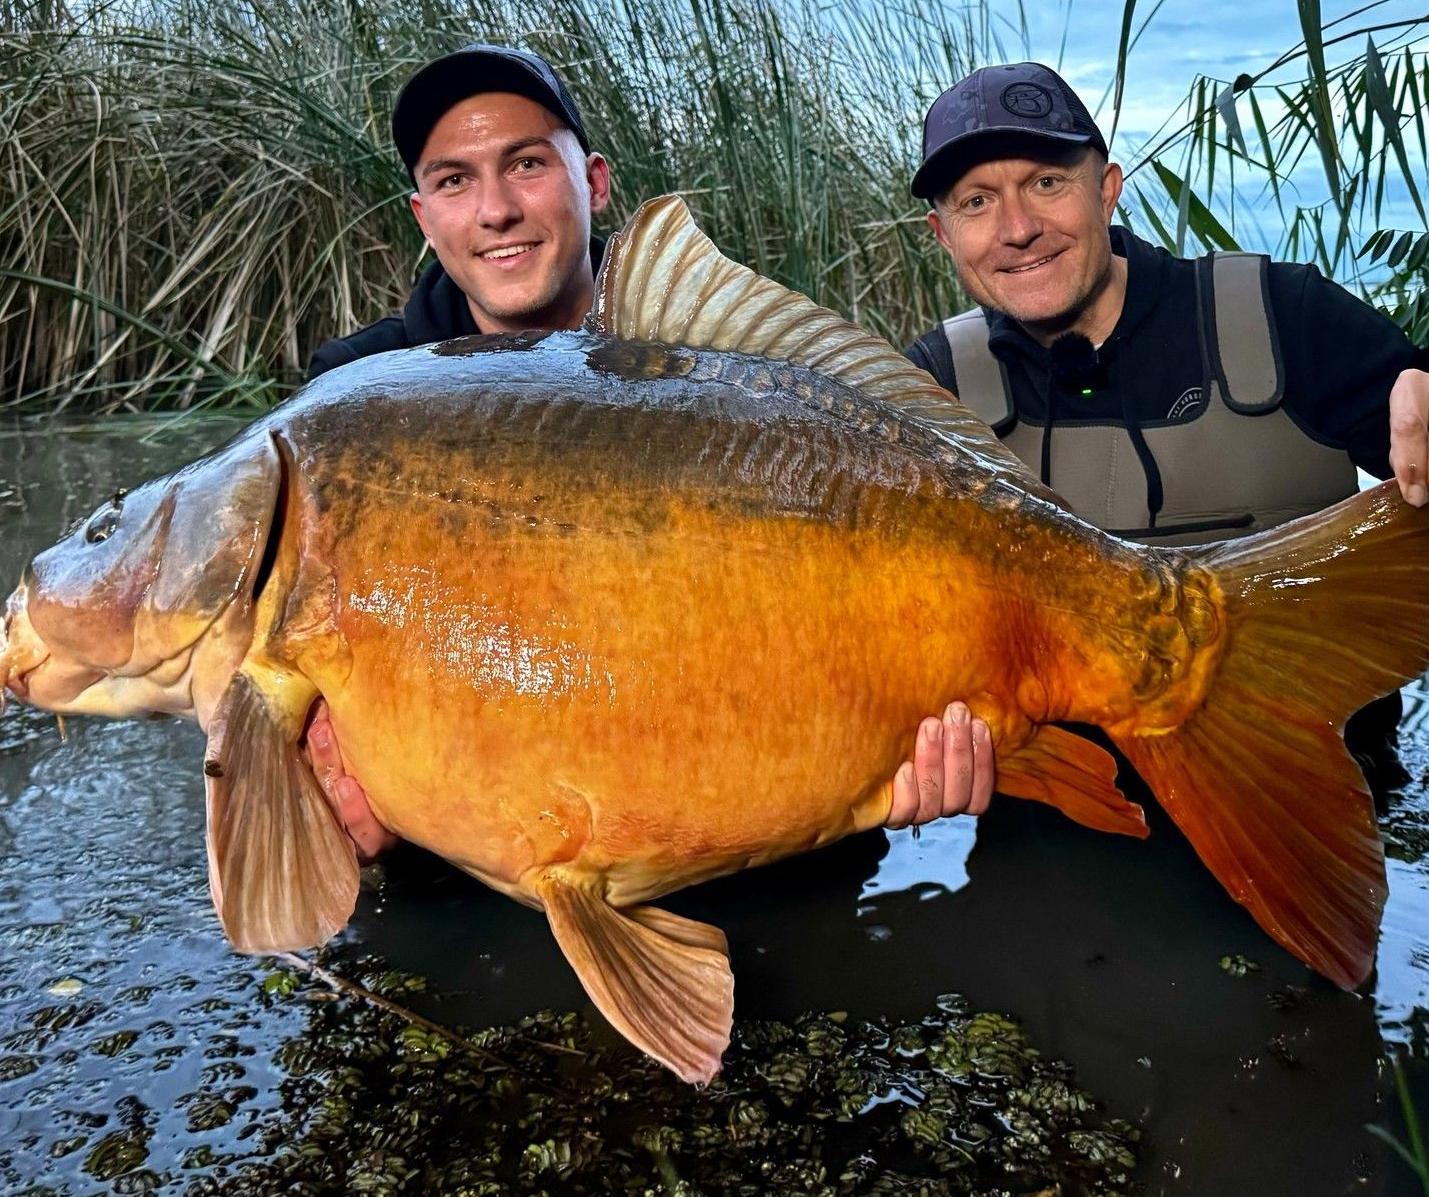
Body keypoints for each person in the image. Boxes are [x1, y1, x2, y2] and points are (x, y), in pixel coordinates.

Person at [302, 43, 992, 861]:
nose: (495, 210)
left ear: (593, 182)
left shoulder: (738, 374)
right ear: (423, 215)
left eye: (526, 164)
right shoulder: (356, 396)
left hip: (766, 833)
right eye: (454, 180)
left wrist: (883, 747)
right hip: (487, 855)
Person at [898, 62, 1429, 784]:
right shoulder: (924, 389)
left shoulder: (1280, 317)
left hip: (1306, 791)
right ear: (941, 233)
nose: (1017, 228)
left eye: (1045, 183)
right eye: (976, 202)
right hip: (1059, 813)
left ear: (1106, 188)